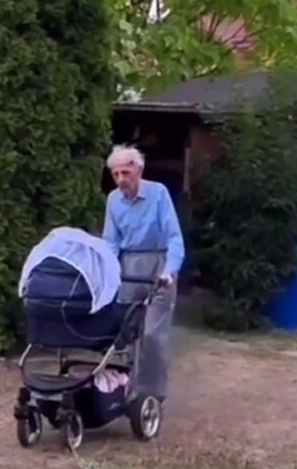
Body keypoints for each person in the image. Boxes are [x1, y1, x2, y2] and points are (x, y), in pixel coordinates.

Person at [102, 144, 184, 405]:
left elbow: (174, 238)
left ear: (138, 170)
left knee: (151, 334)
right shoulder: (113, 200)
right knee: (125, 332)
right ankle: (122, 388)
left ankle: (152, 395)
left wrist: (169, 271)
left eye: (125, 173)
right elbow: (111, 241)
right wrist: (106, 269)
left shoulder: (158, 194)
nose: (121, 180)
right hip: (128, 267)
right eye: (115, 175)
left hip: (158, 266)